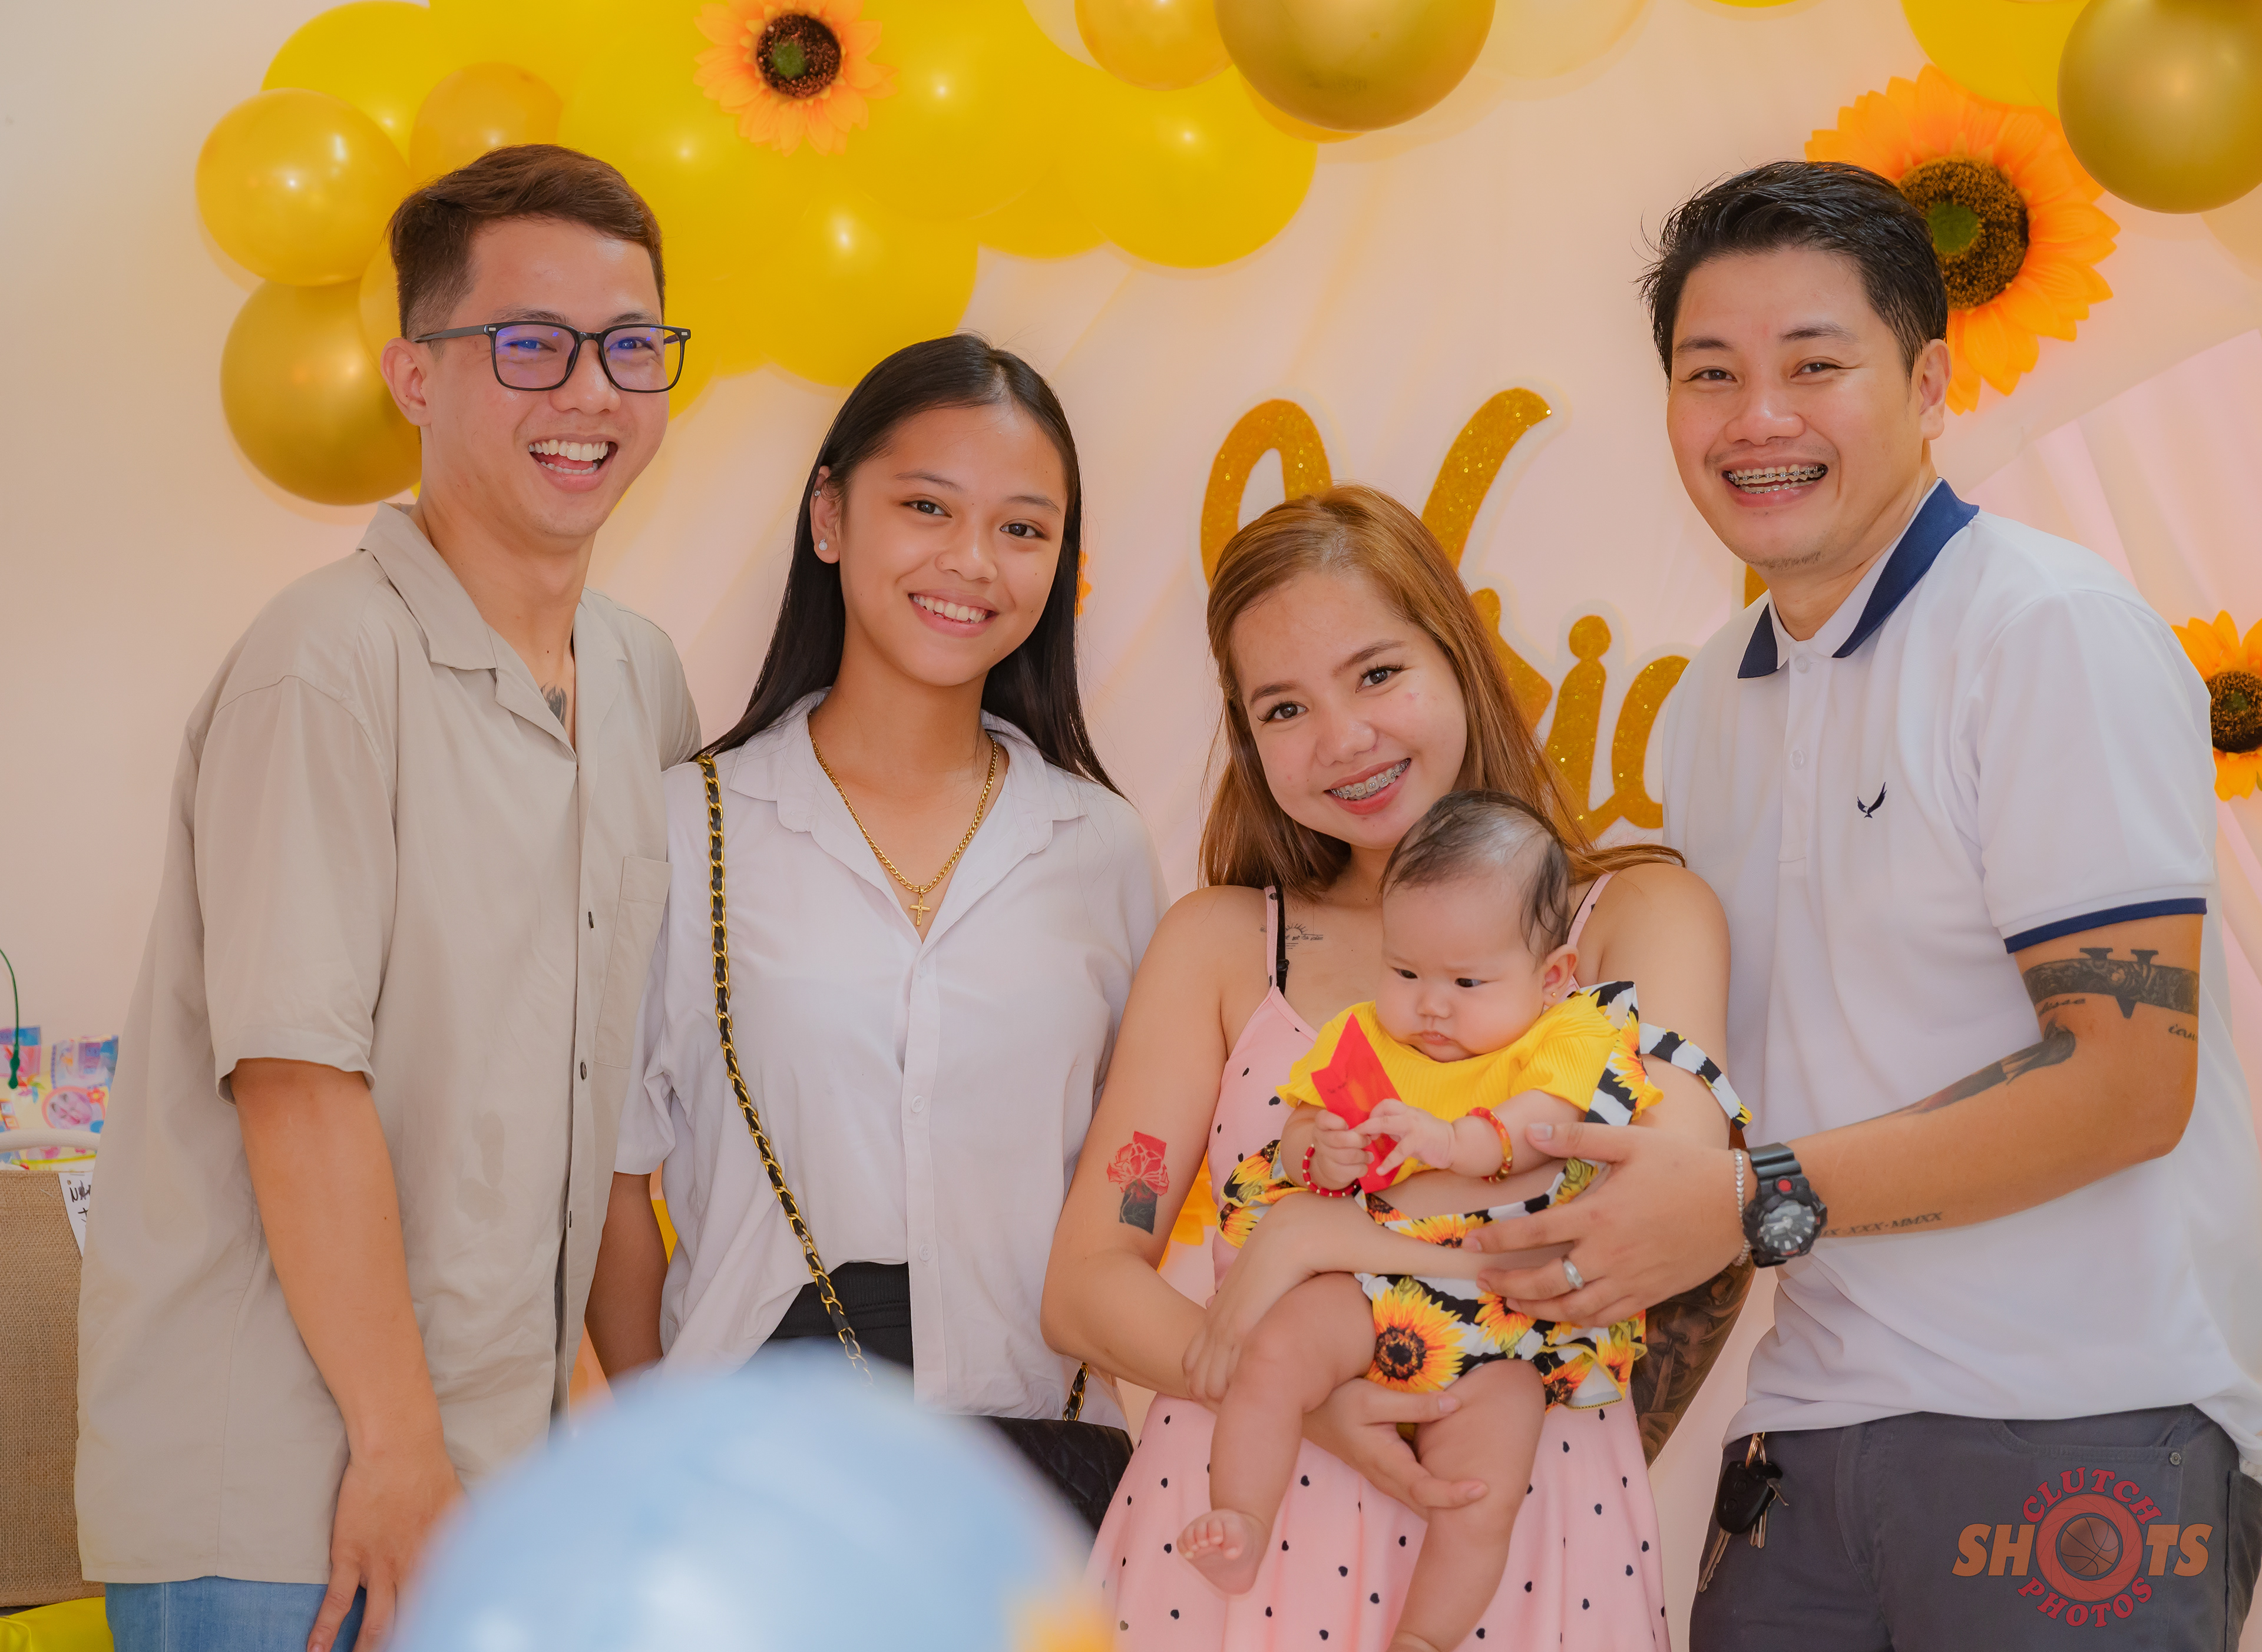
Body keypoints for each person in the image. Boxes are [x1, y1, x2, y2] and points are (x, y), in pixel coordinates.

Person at [1464, 160, 2262, 1648]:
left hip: (2084, 1421)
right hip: (1807, 1439)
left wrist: (1742, 1199)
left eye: (1815, 364)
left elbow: (2127, 1079)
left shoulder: (2047, 631)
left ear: (1932, 382)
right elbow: (1718, 1122)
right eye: (1711, 372)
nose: (1757, 418)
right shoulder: (1709, 702)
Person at [76, 145, 702, 1652]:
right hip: (297, 1495)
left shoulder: (640, 679)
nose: (591, 391)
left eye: (630, 346)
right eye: (530, 344)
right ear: (414, 377)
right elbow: (297, 1081)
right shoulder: (325, 663)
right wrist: (399, 1443)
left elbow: (600, 1114)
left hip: (495, 1487)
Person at [1044, 484, 1737, 1647]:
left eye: (1376, 673)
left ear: (1458, 657)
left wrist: (1308, 1239)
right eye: (1284, 707)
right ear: (1247, 737)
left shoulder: (1635, 916)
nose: (1344, 739)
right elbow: (1088, 1280)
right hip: (1238, 1526)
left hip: (1520, 1525)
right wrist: (1301, 1396)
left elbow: (1657, 1221)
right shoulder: (1221, 942)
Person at [584, 339, 1162, 1454]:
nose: (972, 561)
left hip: (1042, 1461)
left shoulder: (1102, 847)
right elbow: (615, 1181)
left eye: (1023, 529)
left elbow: (1144, 1157)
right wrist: (664, 1456)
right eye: (927, 507)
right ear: (830, 517)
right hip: (757, 1467)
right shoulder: (688, 825)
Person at [1180, 793, 1744, 1652]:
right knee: (1275, 1357)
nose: (1431, 1006)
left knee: (1484, 1487)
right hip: (1367, 1296)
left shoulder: (1568, 1037)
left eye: (1467, 982)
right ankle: (1243, 1518)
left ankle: (1427, 1636)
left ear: (1551, 977)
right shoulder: (1365, 1038)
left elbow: (1534, 1132)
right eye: (1406, 973)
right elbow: (1298, 1134)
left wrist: (1449, 1140)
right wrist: (1320, 1153)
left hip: (1506, 1330)